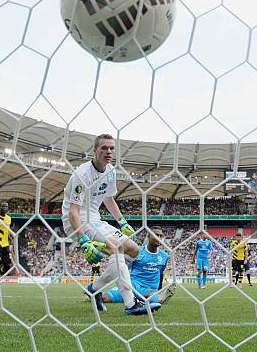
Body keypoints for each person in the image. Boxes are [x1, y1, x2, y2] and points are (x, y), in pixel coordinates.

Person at [63, 134, 160, 316]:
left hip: (96, 219)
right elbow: (73, 212)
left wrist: (122, 222)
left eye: (111, 148)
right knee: (117, 249)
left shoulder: (110, 171)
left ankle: (95, 288)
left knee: (133, 249)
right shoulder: (82, 174)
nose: (108, 151)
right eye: (104, 148)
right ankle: (131, 303)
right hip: (78, 221)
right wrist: (83, 240)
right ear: (94, 151)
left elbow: (109, 199)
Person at [97, 227, 174, 307]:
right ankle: (95, 293)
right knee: (105, 298)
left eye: (161, 236)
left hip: (150, 289)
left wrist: (159, 290)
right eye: (156, 235)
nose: (159, 238)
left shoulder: (164, 256)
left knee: (158, 301)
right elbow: (124, 268)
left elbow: (160, 274)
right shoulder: (137, 251)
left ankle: (149, 297)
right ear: (148, 236)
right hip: (132, 285)